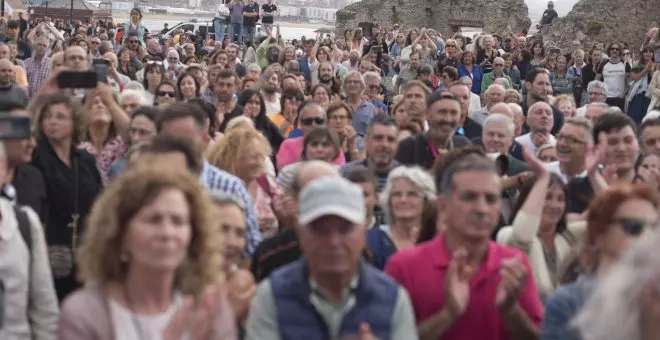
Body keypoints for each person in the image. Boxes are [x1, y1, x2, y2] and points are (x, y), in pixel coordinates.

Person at [58, 163, 237, 339]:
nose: (167, 233)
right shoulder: (84, 313)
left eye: (178, 221)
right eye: (153, 220)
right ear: (120, 232)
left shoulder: (209, 309)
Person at [386, 153, 543, 339]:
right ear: (443, 206)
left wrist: (511, 310)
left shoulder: (514, 266)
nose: (481, 208)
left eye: (491, 199)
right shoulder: (404, 267)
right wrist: (448, 315)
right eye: (469, 197)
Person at [245, 176, 418, 339]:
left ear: (363, 232)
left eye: (345, 229)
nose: (333, 241)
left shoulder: (393, 298)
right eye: (320, 229)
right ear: (300, 233)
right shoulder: (271, 296)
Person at [543, 184, 660, 340]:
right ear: (600, 233)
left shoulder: (653, 299)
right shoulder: (568, 303)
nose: (647, 238)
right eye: (635, 227)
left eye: (654, 229)